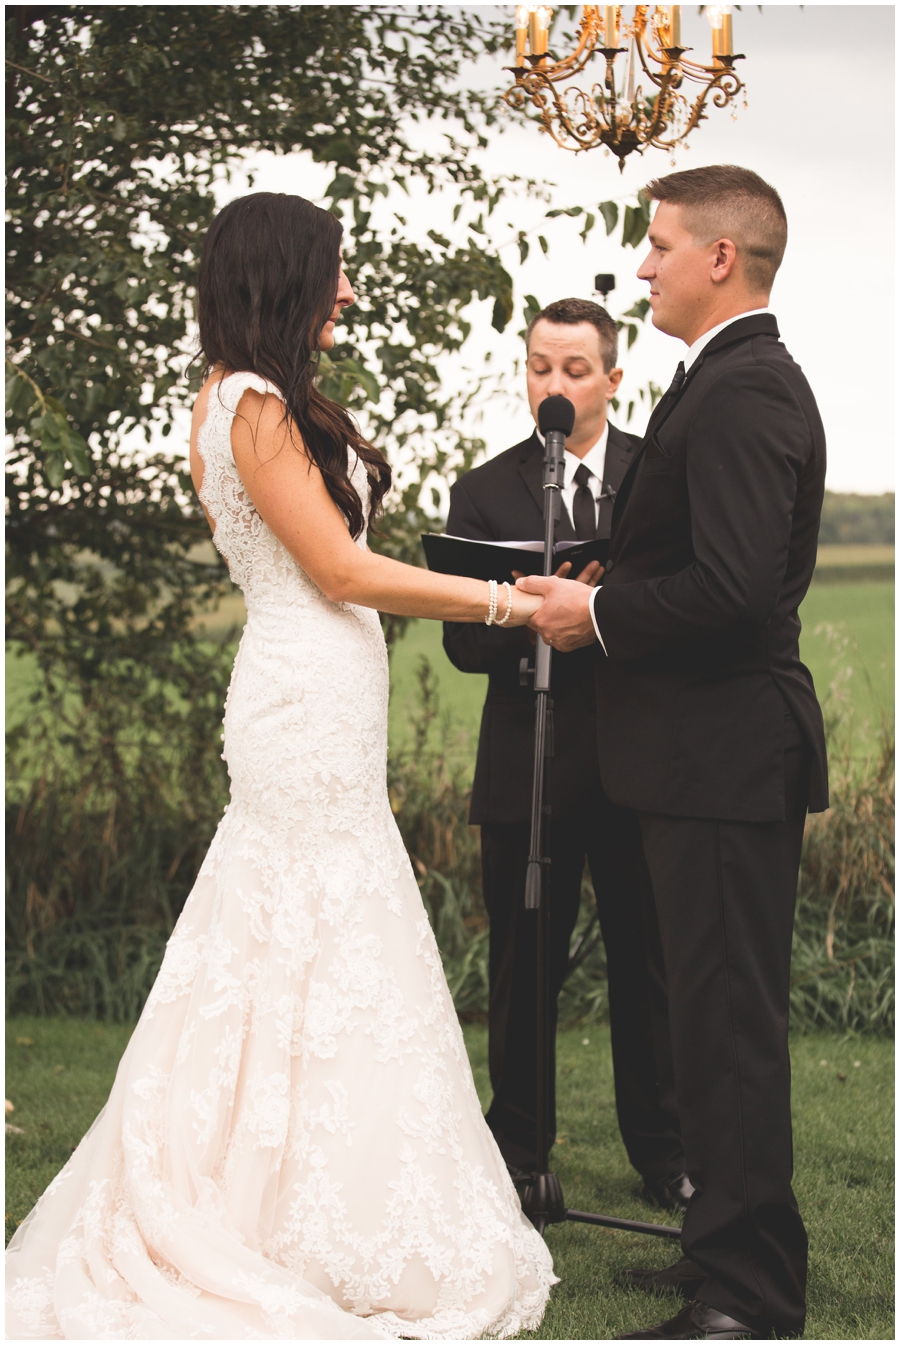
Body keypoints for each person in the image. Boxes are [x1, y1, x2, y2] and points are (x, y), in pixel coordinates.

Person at [5, 192, 556, 1341]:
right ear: (284, 279)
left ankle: (303, 1192)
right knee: (307, 914)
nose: (348, 292)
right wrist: (508, 600)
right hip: (301, 691)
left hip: (315, 689)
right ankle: (275, 1210)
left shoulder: (257, 400)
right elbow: (343, 574)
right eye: (335, 274)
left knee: (307, 929)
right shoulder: (248, 403)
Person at [518, 165, 828, 1341]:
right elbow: (697, 559)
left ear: (719, 259)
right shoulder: (722, 378)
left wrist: (591, 619)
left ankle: (748, 1301)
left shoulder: (748, 389)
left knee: (728, 1030)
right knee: (707, 1023)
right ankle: (721, 1253)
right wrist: (610, 577)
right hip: (697, 760)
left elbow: (741, 589)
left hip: (725, 758)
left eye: (655, 246)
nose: (638, 265)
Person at [442, 299, 690, 1212]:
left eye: (575, 369)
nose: (555, 384)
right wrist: (527, 612)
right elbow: (461, 644)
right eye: (541, 367)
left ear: (613, 379)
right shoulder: (485, 489)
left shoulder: (657, 476)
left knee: (649, 963)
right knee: (522, 966)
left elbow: (681, 610)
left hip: (637, 762)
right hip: (525, 762)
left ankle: (667, 1154)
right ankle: (520, 1154)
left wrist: (606, 611)